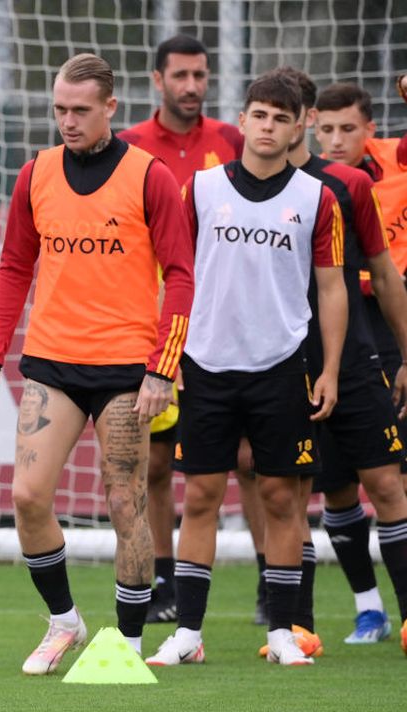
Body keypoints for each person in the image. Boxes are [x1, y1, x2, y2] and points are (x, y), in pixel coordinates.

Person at [0, 53, 194, 671]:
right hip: (52, 363)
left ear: (111, 108)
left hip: (127, 368)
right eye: (59, 109)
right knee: (28, 496)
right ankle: (65, 622)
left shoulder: (149, 177)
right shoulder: (35, 173)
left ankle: (126, 644)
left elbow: (180, 275)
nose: (67, 121)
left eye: (80, 110)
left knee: (126, 502)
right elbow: (15, 268)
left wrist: (161, 368)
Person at [145, 72, 348, 667]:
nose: (268, 127)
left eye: (281, 118)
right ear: (242, 119)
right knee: (202, 494)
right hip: (205, 364)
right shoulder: (202, 189)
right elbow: (174, 276)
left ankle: (283, 631)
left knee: (283, 498)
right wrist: (169, 355)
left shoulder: (317, 198)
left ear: (299, 126)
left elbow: (332, 290)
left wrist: (330, 368)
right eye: (259, 114)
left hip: (282, 366)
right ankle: (188, 633)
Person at [117, 34, 270, 625]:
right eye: (180, 75)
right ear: (157, 80)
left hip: (227, 325)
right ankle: (161, 583)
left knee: (249, 459)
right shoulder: (130, 148)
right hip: (158, 325)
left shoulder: (231, 142)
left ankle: (267, 579)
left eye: (200, 76)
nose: (191, 86)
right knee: (154, 463)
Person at [315, 81, 407, 653]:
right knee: (337, 483)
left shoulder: (396, 160)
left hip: (389, 324)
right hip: (328, 336)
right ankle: (367, 608)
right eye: (325, 128)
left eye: (348, 128)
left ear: (370, 129)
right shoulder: (298, 183)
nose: (336, 139)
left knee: (391, 478)